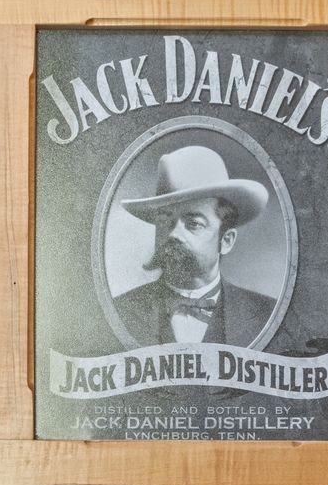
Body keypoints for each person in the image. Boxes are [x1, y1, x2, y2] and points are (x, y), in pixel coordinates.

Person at [110, 143, 277, 348]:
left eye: (194, 224)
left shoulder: (267, 316)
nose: (174, 233)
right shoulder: (118, 313)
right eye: (165, 220)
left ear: (226, 241)